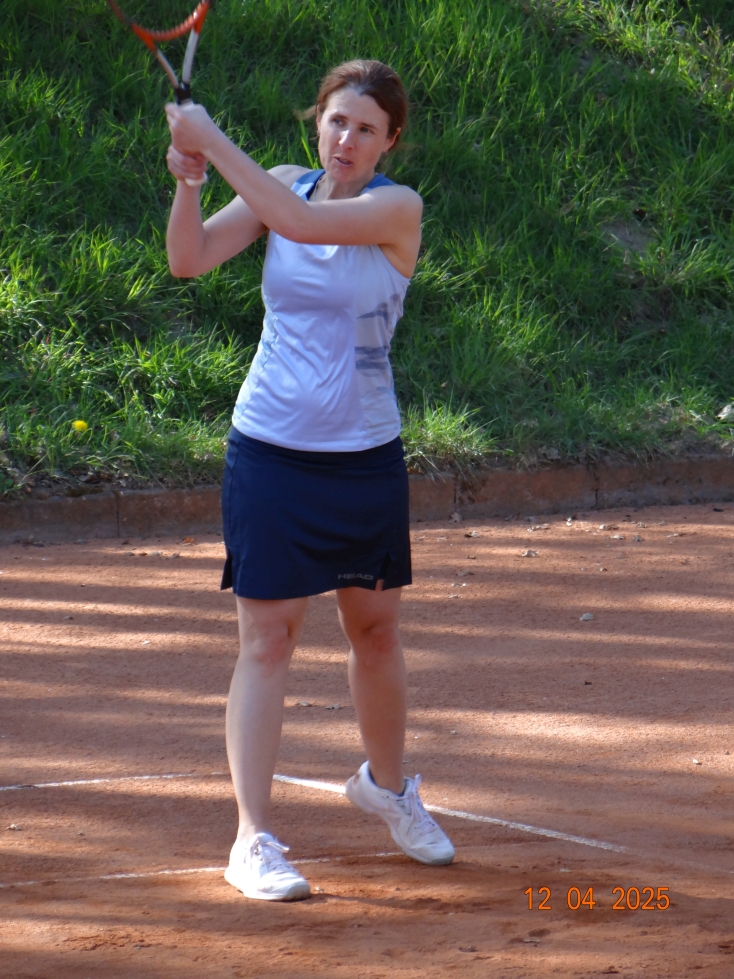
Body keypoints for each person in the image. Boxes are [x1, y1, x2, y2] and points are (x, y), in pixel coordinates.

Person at [165, 59, 454, 902]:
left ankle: (388, 790)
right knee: (268, 640)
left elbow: (297, 220)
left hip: (364, 455)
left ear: (390, 141)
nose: (347, 139)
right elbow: (189, 258)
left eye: (366, 128)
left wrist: (211, 139)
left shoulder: (397, 209)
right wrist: (189, 179)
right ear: (316, 121)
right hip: (270, 451)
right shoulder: (283, 184)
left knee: (376, 633)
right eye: (336, 121)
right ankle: (252, 838)